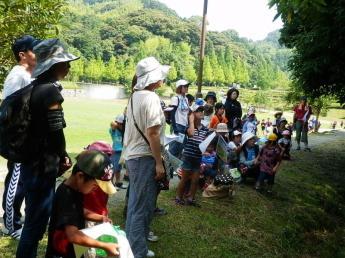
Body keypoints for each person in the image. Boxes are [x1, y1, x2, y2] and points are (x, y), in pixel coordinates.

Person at [16, 39, 79, 258]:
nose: (68, 67)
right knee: (34, 225)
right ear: (53, 65)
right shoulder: (50, 93)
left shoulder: (34, 88)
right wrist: (63, 155)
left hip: (31, 164)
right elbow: (56, 131)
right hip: (41, 167)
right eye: (65, 62)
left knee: (34, 222)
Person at [123, 57, 169, 258]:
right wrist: (159, 163)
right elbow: (152, 133)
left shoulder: (135, 96)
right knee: (141, 207)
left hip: (134, 156)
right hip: (144, 157)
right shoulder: (150, 98)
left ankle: (134, 246)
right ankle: (137, 252)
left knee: (136, 204)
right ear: (153, 78)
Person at [1, 35, 41, 240]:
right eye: (35, 50)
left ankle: (17, 217)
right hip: (19, 140)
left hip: (28, 139)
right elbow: (11, 109)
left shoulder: (29, 74)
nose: (39, 53)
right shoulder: (18, 75)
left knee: (24, 181)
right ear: (22, 55)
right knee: (16, 182)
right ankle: (10, 224)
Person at [45, 150, 119, 258]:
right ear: (80, 176)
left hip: (72, 250)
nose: (96, 190)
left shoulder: (77, 189)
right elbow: (73, 235)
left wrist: (100, 218)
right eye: (95, 186)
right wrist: (104, 246)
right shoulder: (66, 195)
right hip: (61, 253)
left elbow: (79, 210)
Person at [175, 98, 208, 207]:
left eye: (202, 111)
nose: (201, 112)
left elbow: (205, 143)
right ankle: (178, 197)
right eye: (198, 110)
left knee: (195, 180)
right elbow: (191, 134)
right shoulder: (189, 126)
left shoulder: (205, 129)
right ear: (193, 113)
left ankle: (191, 198)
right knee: (184, 179)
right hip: (188, 156)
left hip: (197, 157)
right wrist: (191, 120)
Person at [169, 79, 190, 158]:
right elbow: (172, 113)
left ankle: (175, 169)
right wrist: (174, 128)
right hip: (177, 125)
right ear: (179, 87)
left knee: (181, 149)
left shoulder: (186, 99)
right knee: (173, 149)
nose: (187, 88)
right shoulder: (175, 98)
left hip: (184, 127)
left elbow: (186, 114)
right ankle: (168, 168)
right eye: (185, 86)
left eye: (187, 86)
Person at [109, 114, 127, 189]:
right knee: (114, 168)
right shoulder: (114, 130)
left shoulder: (124, 131)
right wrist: (116, 124)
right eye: (121, 124)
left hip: (122, 152)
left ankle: (118, 183)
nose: (122, 125)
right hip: (115, 152)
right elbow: (112, 125)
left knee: (118, 168)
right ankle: (111, 184)